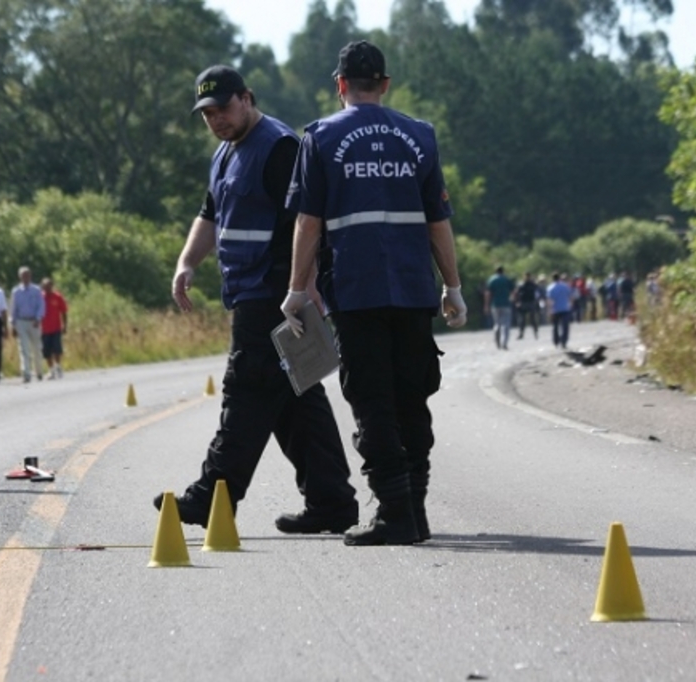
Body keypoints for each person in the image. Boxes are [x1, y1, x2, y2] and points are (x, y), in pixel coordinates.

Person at [155, 64, 358, 533]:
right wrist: (187, 263)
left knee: (245, 391)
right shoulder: (225, 154)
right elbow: (210, 214)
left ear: (246, 98)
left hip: (273, 296)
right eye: (207, 114)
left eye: (223, 108)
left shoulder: (279, 147)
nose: (216, 120)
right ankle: (332, 503)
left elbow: (306, 225)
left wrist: (301, 294)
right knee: (295, 403)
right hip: (247, 293)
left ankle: (211, 498)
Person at [280, 41, 467, 546]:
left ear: (339, 85)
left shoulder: (319, 138)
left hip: (357, 292)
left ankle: (394, 513)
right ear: (385, 85)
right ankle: (415, 511)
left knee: (373, 403)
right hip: (412, 289)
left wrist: (297, 290)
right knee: (412, 399)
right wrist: (452, 285)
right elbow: (438, 222)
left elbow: (309, 222)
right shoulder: (420, 136)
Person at [10, 266, 45, 383]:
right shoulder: (16, 291)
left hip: (34, 321)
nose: (25, 277)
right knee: (24, 349)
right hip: (21, 321)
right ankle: (26, 373)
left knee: (37, 348)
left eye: (27, 275)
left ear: (30, 276)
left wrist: (38, 318)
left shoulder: (36, 290)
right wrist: (13, 324)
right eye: (23, 275)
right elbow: (13, 309)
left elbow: (41, 305)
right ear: (20, 277)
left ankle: (39, 371)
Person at [40, 277, 67, 379]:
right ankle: (51, 370)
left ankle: (58, 367)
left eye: (49, 286)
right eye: (45, 287)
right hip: (44, 329)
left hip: (56, 328)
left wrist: (64, 325)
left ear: (52, 286)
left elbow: (63, 311)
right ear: (42, 287)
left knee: (57, 349)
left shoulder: (57, 297)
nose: (47, 288)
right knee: (47, 351)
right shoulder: (40, 297)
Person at [484, 265, 515, 349]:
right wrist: (512, 299)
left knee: (497, 324)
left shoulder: (492, 280)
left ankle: (497, 343)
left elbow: (488, 294)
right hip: (506, 304)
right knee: (506, 324)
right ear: (503, 271)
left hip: (495, 304)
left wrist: (486, 305)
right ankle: (504, 342)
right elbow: (513, 291)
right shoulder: (507, 279)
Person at [546, 272, 573, 349]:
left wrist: (549, 310)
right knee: (565, 326)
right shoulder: (565, 286)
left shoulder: (550, 288)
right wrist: (570, 305)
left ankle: (556, 341)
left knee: (555, 326)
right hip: (565, 308)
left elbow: (549, 300)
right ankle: (564, 341)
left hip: (555, 309)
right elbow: (570, 297)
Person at [513, 272, 540, 340]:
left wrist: (537, 302)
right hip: (524, 303)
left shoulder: (533, 285)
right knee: (522, 320)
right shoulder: (521, 285)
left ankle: (535, 333)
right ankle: (521, 333)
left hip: (531, 302)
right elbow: (517, 294)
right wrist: (517, 302)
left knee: (533, 319)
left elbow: (537, 294)